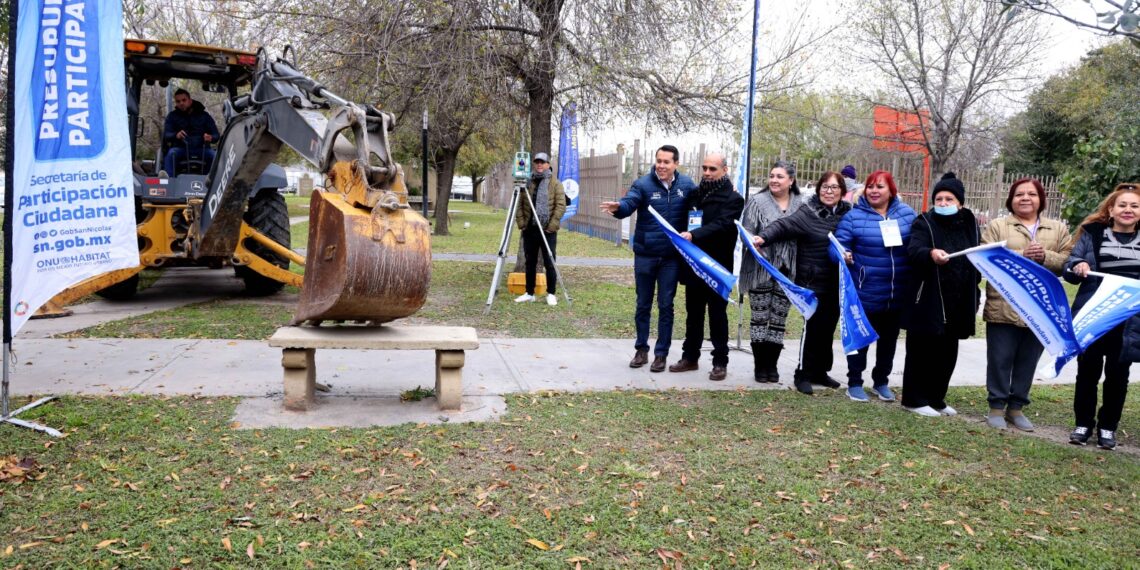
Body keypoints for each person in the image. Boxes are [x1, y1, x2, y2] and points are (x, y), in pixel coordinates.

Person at [981, 178, 1072, 431]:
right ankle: (996, 408)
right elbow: (986, 255)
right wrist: (1023, 256)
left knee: (1027, 359)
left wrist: (1045, 256)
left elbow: (1067, 261)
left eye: (1032, 194)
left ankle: (1016, 408)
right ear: (1011, 199)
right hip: (1004, 304)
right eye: (1019, 194)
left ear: (1041, 199)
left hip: (1041, 307)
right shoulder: (998, 226)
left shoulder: (1057, 229)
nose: (1025, 198)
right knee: (1000, 358)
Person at [753, 171, 852, 394]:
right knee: (813, 329)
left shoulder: (848, 215)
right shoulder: (808, 212)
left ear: (842, 192)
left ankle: (820, 372)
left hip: (837, 282)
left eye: (834, 187)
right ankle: (803, 373)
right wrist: (764, 237)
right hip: (812, 282)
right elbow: (783, 225)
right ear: (818, 190)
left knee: (828, 330)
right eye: (825, 187)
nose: (829, 192)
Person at [601, 145, 696, 372]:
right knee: (643, 304)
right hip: (645, 255)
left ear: (676, 164)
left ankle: (660, 354)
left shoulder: (687, 185)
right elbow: (629, 203)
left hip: (671, 258)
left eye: (666, 162)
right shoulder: (643, 184)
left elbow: (699, 208)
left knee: (666, 305)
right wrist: (618, 207)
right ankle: (641, 350)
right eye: (658, 161)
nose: (661, 166)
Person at [1063, 183, 1140, 451]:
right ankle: (1083, 424)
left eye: (1134, 205)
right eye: (1123, 205)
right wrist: (1078, 265)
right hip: (1094, 313)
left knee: (1119, 376)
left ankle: (1108, 427)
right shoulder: (1093, 234)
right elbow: (1069, 268)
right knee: (1087, 371)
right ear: (1111, 209)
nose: (1128, 209)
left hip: (1129, 320)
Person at [899, 173, 981, 417]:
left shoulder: (970, 223)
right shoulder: (923, 221)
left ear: (961, 203)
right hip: (928, 299)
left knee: (947, 353)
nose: (944, 203)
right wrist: (931, 253)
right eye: (939, 198)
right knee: (921, 350)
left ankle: (936, 397)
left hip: (958, 299)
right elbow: (914, 250)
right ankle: (914, 399)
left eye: (949, 199)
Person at [834, 170, 916, 403]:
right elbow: (836, 246)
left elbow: (918, 244)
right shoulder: (853, 217)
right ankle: (855, 382)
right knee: (861, 341)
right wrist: (843, 254)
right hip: (865, 291)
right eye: (870, 186)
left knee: (888, 342)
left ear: (891, 190)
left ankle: (881, 381)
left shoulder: (907, 215)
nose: (873, 191)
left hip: (896, 293)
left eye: (880, 186)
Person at [668, 152, 744, 381]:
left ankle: (720, 362)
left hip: (717, 266)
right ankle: (690, 357)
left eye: (713, 169)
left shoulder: (733, 199)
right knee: (693, 313)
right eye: (705, 168)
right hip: (694, 265)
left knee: (717, 315)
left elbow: (722, 225)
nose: (707, 173)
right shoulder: (694, 194)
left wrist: (694, 235)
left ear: (724, 170)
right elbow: (684, 221)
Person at [739, 160, 805, 385]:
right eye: (772, 176)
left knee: (778, 319)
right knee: (759, 318)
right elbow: (744, 231)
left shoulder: (801, 204)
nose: (774, 180)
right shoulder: (757, 202)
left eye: (779, 176)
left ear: (791, 181)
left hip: (788, 271)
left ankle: (772, 365)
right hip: (760, 268)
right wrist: (753, 242)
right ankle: (760, 366)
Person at [514, 152, 566, 305]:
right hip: (530, 229)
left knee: (550, 261)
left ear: (548, 165)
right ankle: (529, 292)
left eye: (542, 162)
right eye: (537, 162)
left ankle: (551, 293)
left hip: (547, 230)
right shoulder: (527, 182)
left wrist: (552, 226)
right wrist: (522, 223)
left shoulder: (556, 184)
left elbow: (560, 206)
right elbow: (519, 204)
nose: (539, 165)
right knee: (530, 261)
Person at [162, 89, 220, 176]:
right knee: (171, 154)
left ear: (190, 100)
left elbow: (216, 135)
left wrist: (210, 137)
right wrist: (176, 135)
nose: (181, 103)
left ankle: (211, 180)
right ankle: (169, 181)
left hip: (202, 149)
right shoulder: (172, 116)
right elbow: (166, 135)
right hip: (180, 149)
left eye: (184, 100)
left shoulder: (204, 116)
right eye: (178, 101)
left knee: (214, 156)